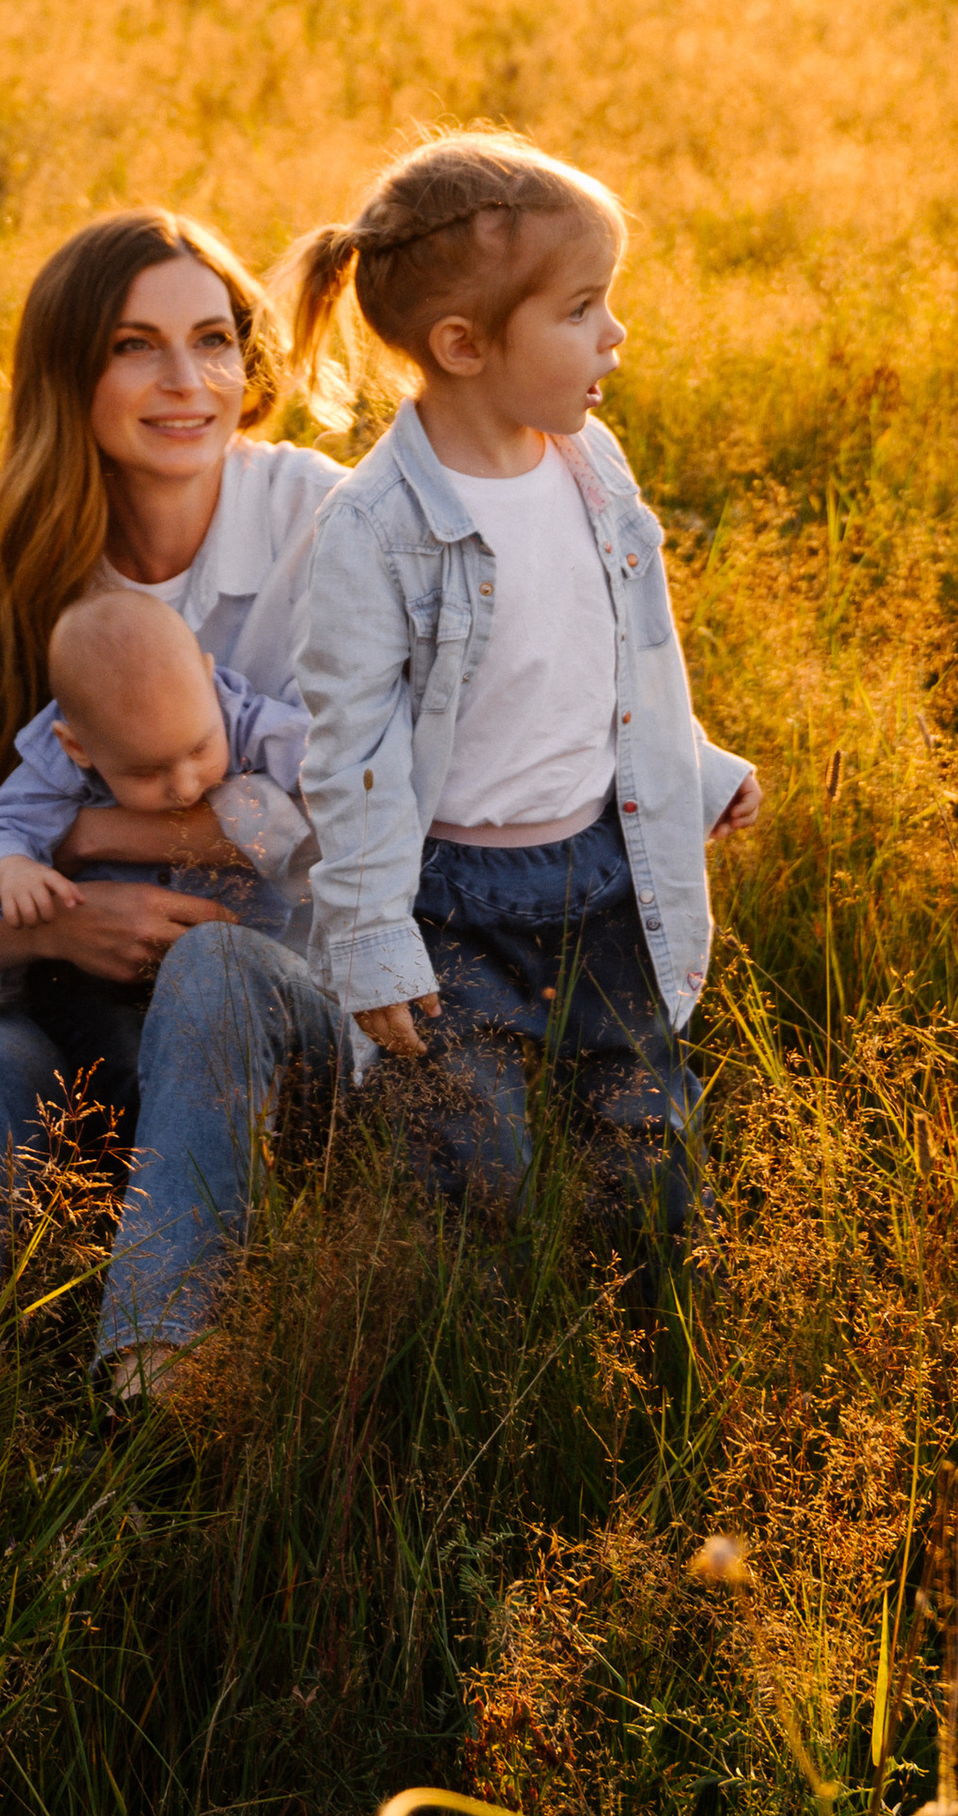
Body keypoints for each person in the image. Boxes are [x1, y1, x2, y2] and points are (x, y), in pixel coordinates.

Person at [0, 208, 346, 1404]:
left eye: (212, 339)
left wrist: (99, 833)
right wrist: (52, 928)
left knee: (214, 969)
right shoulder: (3, 591)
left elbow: (382, 803)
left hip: (289, 1017)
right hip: (71, 1013)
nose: (187, 380)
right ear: (70, 376)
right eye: (134, 346)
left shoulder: (325, 525)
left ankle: (166, 1374)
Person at [285, 133, 760, 1265]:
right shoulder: (373, 529)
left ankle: (642, 1322)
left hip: (603, 871)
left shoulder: (593, 467)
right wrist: (372, 941)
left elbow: (622, 660)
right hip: (449, 899)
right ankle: (470, 1337)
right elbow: (349, 756)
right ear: (463, 345)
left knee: (643, 1142)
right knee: (470, 1159)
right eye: (581, 308)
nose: (615, 333)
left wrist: (694, 765)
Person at [0, 589, 313, 939]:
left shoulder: (230, 714)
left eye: (198, 750)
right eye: (147, 772)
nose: (185, 787)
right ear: (77, 747)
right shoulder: (57, 765)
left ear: (208, 680)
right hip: (112, 955)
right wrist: (12, 869)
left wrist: (312, 777)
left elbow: (316, 759)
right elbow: (3, 828)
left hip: (252, 942)